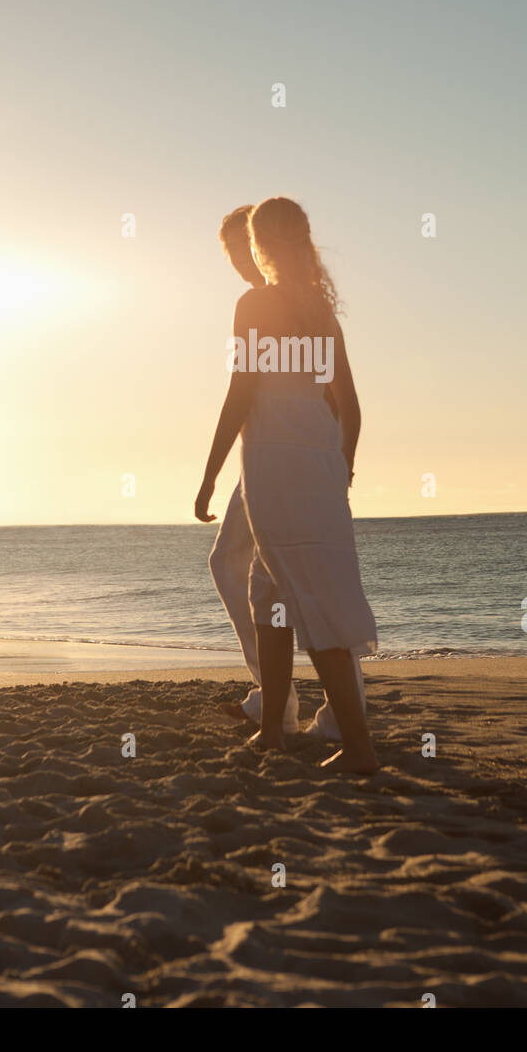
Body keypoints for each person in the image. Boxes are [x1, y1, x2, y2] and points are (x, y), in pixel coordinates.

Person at [196, 197, 377, 773]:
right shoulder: (323, 315)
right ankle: (273, 732)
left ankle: (358, 747)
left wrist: (209, 472)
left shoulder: (255, 304)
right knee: (270, 592)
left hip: (273, 465)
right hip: (320, 466)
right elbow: (350, 407)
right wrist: (339, 472)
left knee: (304, 599)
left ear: (261, 247)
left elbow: (241, 391)